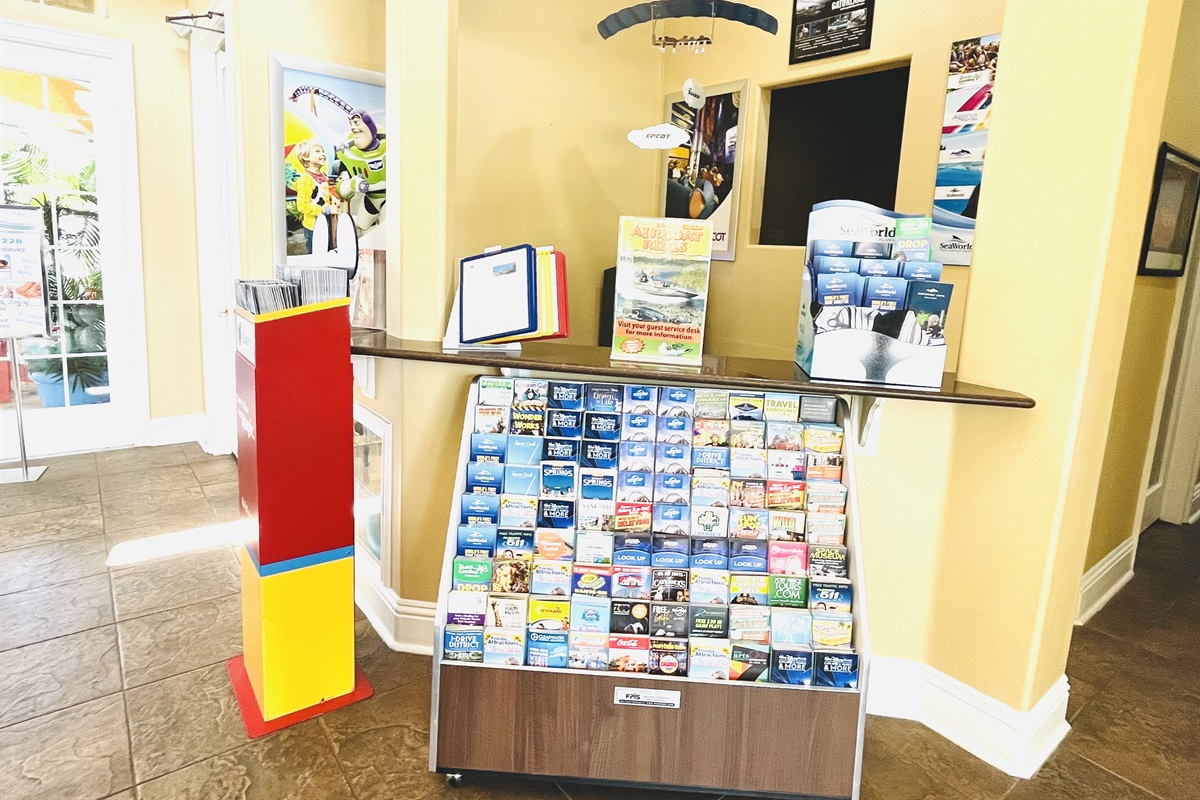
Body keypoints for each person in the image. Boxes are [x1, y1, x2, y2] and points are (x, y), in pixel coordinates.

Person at [291, 139, 333, 253]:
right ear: (306, 157)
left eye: (323, 151)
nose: (322, 154)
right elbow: (302, 206)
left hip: (327, 223)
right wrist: (324, 210)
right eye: (317, 151)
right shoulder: (306, 179)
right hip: (314, 226)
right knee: (316, 254)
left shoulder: (324, 175)